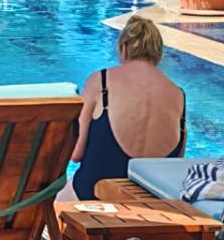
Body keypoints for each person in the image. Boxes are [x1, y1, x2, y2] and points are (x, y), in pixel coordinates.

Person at [69, 16, 185, 200]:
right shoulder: (178, 94)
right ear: (159, 53)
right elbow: (175, 164)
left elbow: (76, 153)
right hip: (153, 204)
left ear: (123, 48)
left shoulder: (101, 81)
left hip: (96, 197)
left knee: (59, 193)